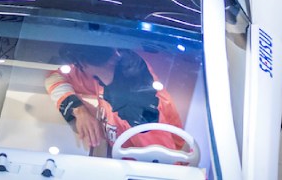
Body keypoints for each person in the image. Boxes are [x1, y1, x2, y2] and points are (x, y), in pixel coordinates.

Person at [45, 44, 183, 151]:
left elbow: (164, 167)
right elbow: (54, 77)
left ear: (83, 63)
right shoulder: (108, 71)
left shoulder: (140, 116)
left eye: (76, 64)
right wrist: (78, 109)